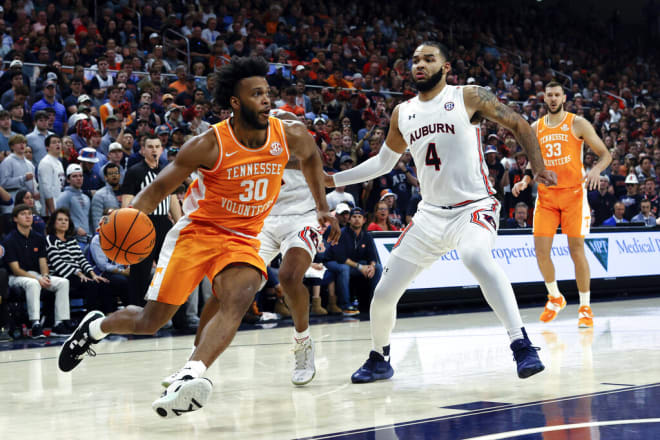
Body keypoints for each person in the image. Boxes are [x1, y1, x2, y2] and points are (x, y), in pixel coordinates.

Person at [58, 57, 338, 417]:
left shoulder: (290, 134)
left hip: (243, 237)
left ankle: (194, 374)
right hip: (197, 234)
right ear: (235, 103)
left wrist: (321, 206)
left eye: (267, 93)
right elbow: (161, 186)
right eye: (256, 94)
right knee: (150, 322)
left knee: (238, 295)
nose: (267, 100)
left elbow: (312, 158)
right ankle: (95, 327)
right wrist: (129, 216)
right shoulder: (209, 144)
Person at [326, 42, 556, 383]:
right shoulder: (402, 112)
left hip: (474, 206)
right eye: (415, 59)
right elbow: (382, 163)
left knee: (475, 256)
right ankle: (379, 357)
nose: (420, 64)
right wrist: (333, 179)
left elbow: (519, 124)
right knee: (384, 293)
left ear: (445, 67)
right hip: (430, 216)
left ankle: (520, 344)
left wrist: (537, 166)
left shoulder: (469, 96)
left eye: (429, 59)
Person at [513, 80, 611, 329]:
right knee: (541, 251)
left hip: (573, 195)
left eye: (557, 94)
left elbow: (605, 154)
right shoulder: (536, 127)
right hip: (546, 197)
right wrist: (525, 180)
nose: (553, 98)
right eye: (549, 95)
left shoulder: (577, 123)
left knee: (576, 250)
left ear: (564, 97)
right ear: (544, 98)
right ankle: (555, 297)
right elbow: (532, 162)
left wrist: (596, 170)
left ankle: (585, 307)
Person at [119, 135, 182, 306]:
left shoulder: (168, 170)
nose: (154, 150)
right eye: (150, 146)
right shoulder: (135, 171)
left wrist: (179, 223)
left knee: (169, 269)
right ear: (142, 150)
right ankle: (136, 309)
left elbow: (173, 198)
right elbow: (127, 200)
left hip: (164, 223)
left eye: (157, 146)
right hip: (143, 224)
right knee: (140, 271)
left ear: (162, 149)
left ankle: (173, 313)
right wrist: (129, 226)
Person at [3, 204, 71, 338]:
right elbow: (16, 270)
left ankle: (58, 324)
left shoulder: (38, 238)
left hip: (36, 275)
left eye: (30, 213)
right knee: (33, 284)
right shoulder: (9, 240)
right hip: (15, 277)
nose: (28, 216)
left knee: (63, 282)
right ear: (15, 219)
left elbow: (43, 262)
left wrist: (45, 275)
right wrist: (38, 279)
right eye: (23, 214)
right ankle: (35, 324)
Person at [45, 209, 110, 311]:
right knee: (91, 285)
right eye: (60, 220)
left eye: (66, 220)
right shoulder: (50, 239)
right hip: (62, 274)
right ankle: (91, 317)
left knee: (102, 282)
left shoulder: (71, 240)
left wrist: (93, 274)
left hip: (77, 274)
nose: (63, 222)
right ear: (53, 223)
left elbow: (81, 259)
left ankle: (107, 315)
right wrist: (80, 274)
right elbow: (58, 263)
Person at [324, 207, 382, 314]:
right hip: (332, 262)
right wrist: (360, 267)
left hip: (353, 264)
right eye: (354, 217)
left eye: (360, 217)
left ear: (364, 220)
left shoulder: (367, 236)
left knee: (378, 268)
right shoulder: (341, 233)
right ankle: (345, 306)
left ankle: (375, 303)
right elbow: (340, 258)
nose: (357, 219)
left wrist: (371, 267)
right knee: (344, 268)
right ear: (349, 220)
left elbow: (373, 257)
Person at [56, 164, 92, 244]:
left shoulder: (86, 198)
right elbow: (59, 218)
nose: (78, 178)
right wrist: (75, 229)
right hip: (72, 240)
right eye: (74, 176)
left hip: (87, 239)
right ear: (68, 180)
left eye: (80, 176)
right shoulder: (64, 197)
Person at [37, 134, 65, 217]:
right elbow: (47, 189)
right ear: (47, 147)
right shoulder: (46, 162)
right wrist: (52, 211)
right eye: (54, 142)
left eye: (59, 142)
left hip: (59, 205)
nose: (57, 144)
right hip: (49, 211)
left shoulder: (59, 162)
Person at [91, 163, 122, 228]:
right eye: (110, 174)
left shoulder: (127, 192)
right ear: (105, 177)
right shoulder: (99, 195)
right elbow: (97, 220)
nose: (114, 175)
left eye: (116, 173)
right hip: (109, 230)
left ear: (120, 175)